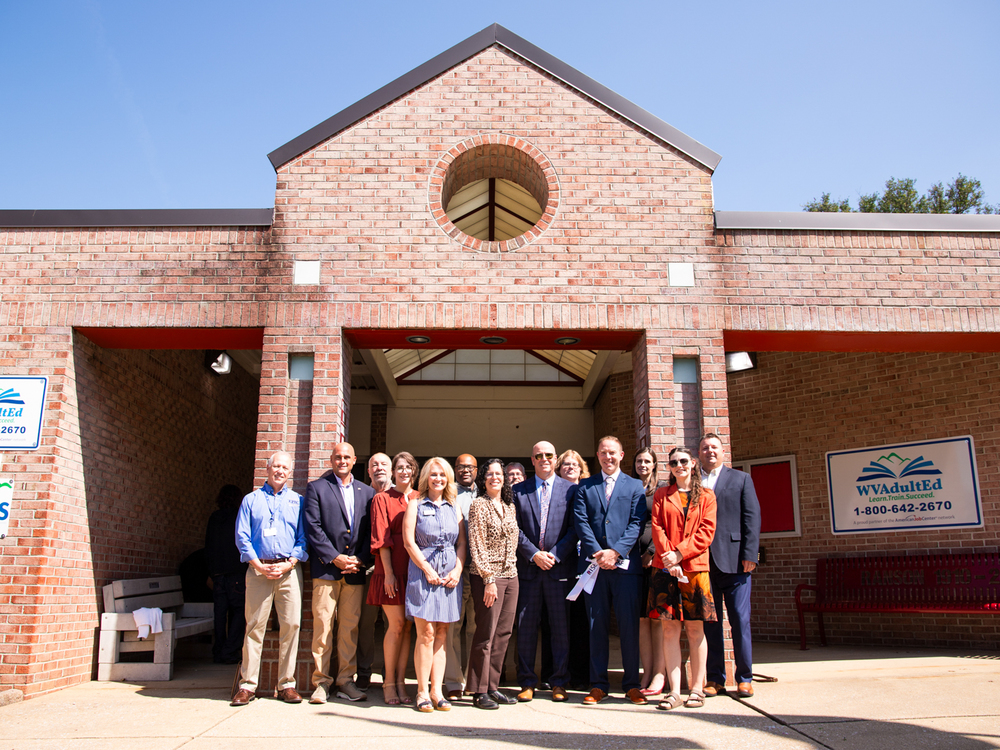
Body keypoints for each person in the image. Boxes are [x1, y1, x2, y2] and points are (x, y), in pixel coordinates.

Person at [572, 436, 648, 706]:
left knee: (628, 627)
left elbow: (637, 522)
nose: (608, 457)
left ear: (621, 454)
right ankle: (598, 684)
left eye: (612, 453)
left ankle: (631, 685)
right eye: (603, 453)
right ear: (598, 455)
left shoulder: (635, 486)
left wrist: (615, 552)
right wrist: (599, 553)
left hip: (626, 569)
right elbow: (581, 521)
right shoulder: (585, 486)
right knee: (596, 626)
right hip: (594, 568)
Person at [232, 452, 308, 706]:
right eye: (276, 466)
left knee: (291, 626)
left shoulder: (298, 501)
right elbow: (242, 537)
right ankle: (247, 686)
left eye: (284, 467)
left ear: (290, 472)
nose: (280, 471)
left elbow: (303, 538)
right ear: (267, 468)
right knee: (254, 627)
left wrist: (290, 563)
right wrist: (258, 566)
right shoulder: (251, 500)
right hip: (258, 571)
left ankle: (287, 685)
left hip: (288, 571)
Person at [303, 442, 375, 704]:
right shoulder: (317, 488)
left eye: (346, 457)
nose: (342, 460)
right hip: (326, 570)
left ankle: (346, 681)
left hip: (355, 571)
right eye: (337, 457)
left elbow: (370, 532)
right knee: (323, 627)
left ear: (354, 460)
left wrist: (360, 559)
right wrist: (335, 558)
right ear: (331, 460)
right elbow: (313, 527)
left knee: (349, 628)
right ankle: (321, 682)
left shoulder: (366, 492)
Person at [649, 445, 717, 710]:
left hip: (695, 569)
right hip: (665, 569)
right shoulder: (661, 495)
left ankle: (697, 689)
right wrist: (669, 558)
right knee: (669, 629)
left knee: (695, 628)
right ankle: (674, 691)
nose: (679, 465)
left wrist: (679, 555)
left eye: (684, 461)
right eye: (674, 462)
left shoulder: (707, 496)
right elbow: (658, 528)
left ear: (693, 463)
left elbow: (705, 533)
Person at [512, 441, 576, 703]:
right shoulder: (518, 491)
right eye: (539, 455)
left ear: (556, 458)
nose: (544, 459)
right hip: (529, 570)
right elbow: (513, 528)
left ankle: (559, 682)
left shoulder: (571, 490)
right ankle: (527, 682)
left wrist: (555, 554)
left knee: (560, 630)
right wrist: (533, 554)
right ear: (532, 459)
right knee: (526, 629)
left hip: (558, 570)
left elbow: (576, 528)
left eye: (549, 455)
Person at [699, 432, 761, 699]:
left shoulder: (741, 479)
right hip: (702, 563)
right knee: (710, 623)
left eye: (714, 447)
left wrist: (750, 554)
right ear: (698, 453)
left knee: (740, 621)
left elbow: (752, 518)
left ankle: (744, 677)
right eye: (705, 448)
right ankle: (715, 679)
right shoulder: (692, 481)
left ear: (722, 452)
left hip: (736, 562)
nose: (710, 451)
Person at [404, 457, 466, 712]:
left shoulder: (455, 507)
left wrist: (458, 570)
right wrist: (426, 568)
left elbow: (462, 543)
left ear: (448, 479)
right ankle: (421, 692)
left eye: (442, 475)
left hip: (449, 574)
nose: (438, 479)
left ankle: (437, 691)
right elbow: (409, 542)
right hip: (423, 572)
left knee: (442, 634)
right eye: (434, 474)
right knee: (426, 633)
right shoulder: (415, 504)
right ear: (426, 478)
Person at [466, 459, 520, 709]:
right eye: (490, 474)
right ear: (483, 479)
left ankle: (492, 686)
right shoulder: (478, 505)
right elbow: (477, 544)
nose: (495, 477)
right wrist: (489, 580)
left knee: (503, 634)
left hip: (511, 575)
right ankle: (478, 690)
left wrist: (511, 573)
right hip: (489, 577)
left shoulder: (510, 506)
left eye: (499, 474)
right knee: (485, 633)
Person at [367, 451, 419, 705]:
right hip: (391, 569)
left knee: (408, 627)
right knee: (396, 625)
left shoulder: (421, 498)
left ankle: (401, 682)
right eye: (399, 467)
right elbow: (381, 539)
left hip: (415, 571)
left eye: (408, 467)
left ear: (414, 471)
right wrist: (388, 573)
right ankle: (388, 682)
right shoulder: (382, 499)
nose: (404, 471)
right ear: (393, 472)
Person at [357, 452, 392, 690]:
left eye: (384, 464)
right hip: (368, 568)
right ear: (368, 471)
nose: (379, 468)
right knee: (365, 622)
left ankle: (390, 671)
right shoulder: (361, 496)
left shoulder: (400, 496)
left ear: (391, 470)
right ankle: (364, 671)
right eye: (374, 465)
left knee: (394, 622)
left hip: (394, 570)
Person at [557, 447, 591, 688]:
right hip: (562, 565)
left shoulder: (589, 491)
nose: (570, 467)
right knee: (562, 624)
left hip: (587, 566)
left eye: (574, 464)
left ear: (582, 469)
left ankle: (583, 674)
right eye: (565, 464)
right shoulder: (556, 493)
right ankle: (561, 673)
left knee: (584, 622)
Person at [444, 453, 477, 699]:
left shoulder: (485, 492)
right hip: (454, 568)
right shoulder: (447, 493)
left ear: (477, 470)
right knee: (452, 627)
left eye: (470, 467)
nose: (465, 470)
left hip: (479, 571)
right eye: (460, 467)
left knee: (476, 627)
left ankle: (475, 680)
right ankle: (454, 681)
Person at [634, 448, 667, 695]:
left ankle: (659, 673)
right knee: (641, 620)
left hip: (655, 563)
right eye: (639, 461)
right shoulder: (631, 487)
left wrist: (653, 552)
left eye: (647, 461)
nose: (643, 464)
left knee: (657, 620)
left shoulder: (662, 490)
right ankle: (646, 672)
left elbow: (663, 524)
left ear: (655, 464)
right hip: (632, 563)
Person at [205, 483, 248, 665]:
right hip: (236, 573)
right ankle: (230, 650)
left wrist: (211, 572)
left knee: (220, 614)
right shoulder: (239, 517)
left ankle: (218, 650)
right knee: (239, 612)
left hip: (218, 574)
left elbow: (208, 545)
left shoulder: (214, 518)